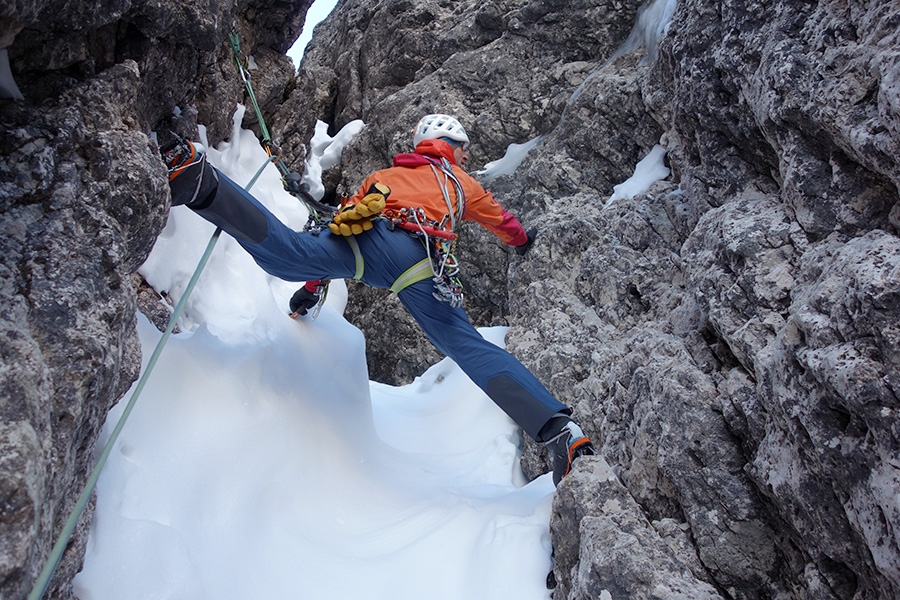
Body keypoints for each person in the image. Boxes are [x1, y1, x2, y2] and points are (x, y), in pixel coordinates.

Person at [162, 113, 594, 485]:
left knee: (291, 255)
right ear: (451, 147)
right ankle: (560, 431)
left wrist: (309, 293)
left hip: (368, 241)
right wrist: (521, 243)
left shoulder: (382, 178)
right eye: (462, 149)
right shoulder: (461, 183)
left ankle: (201, 182)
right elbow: (505, 222)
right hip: (420, 259)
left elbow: (342, 229)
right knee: (466, 345)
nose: (465, 157)